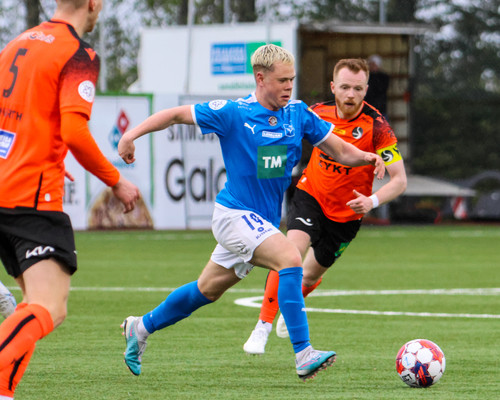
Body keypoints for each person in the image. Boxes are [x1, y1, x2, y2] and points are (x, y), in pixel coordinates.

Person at [118, 45, 385, 382]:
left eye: (292, 80)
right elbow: (173, 115)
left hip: (262, 223)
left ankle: (140, 327)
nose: (289, 86)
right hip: (233, 216)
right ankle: (304, 353)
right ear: (260, 78)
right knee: (291, 258)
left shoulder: (297, 113)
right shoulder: (233, 112)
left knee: (206, 290)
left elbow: (340, 150)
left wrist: (367, 157)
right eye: (282, 80)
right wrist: (131, 135)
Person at [0, 1, 139, 398]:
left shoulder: (17, 44)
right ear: (93, 4)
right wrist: (116, 181)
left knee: (31, 306)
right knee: (50, 307)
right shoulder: (78, 54)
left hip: (6, 186)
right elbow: (74, 132)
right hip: (31, 197)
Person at [243, 58, 407, 355]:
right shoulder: (316, 113)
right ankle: (262, 326)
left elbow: (400, 180)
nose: (350, 94)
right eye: (344, 87)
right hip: (311, 195)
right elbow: (278, 132)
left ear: (366, 89)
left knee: (308, 276)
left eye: (357, 88)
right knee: (289, 256)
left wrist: (371, 201)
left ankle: (293, 305)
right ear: (333, 87)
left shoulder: (378, 127)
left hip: (347, 215)